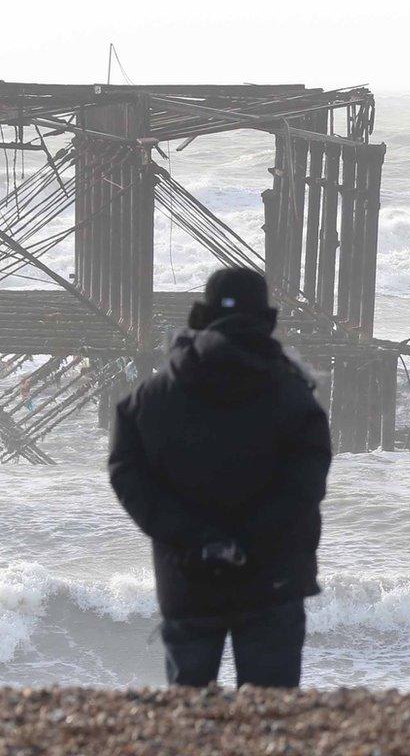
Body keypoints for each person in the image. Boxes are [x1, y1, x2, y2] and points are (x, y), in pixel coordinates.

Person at [108, 266, 331, 688]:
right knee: (272, 717)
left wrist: (193, 536)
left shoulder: (152, 398)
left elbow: (124, 469)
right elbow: (306, 482)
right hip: (273, 575)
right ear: (267, 320)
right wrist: (250, 539)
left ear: (200, 316)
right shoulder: (293, 396)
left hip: (188, 572)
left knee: (190, 718)